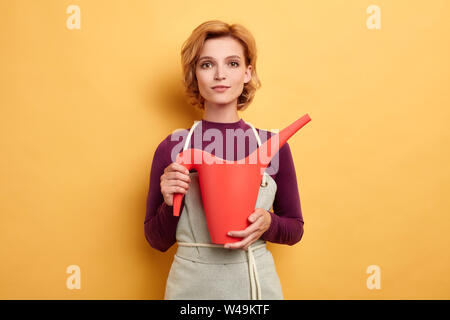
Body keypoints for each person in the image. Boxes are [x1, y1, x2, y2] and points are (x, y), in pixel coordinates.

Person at [144, 20, 304, 300]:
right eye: (207, 64)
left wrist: (269, 222)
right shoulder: (172, 147)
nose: (220, 74)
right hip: (190, 292)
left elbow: (295, 228)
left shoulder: (273, 146)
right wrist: (170, 202)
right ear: (195, 75)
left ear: (246, 73)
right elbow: (157, 241)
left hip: (257, 289)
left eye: (232, 63)